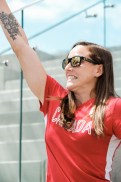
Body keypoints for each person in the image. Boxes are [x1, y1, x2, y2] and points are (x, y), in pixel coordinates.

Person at [0, 1, 121, 182]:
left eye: (77, 61)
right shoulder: (54, 97)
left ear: (99, 70)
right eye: (67, 62)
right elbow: (21, 48)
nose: (68, 68)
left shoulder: (113, 107)